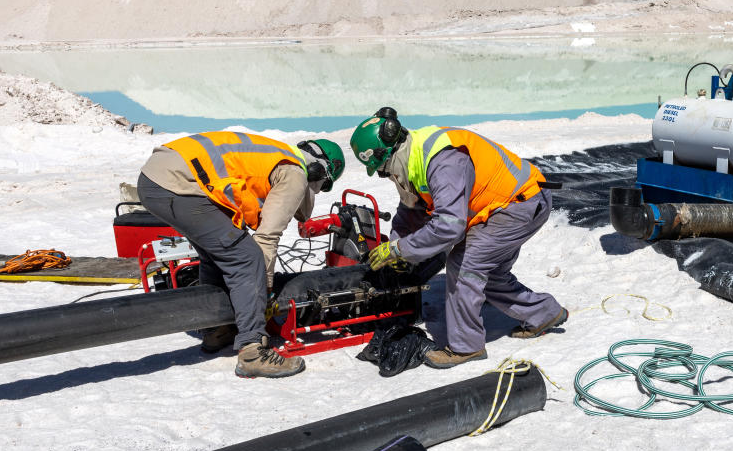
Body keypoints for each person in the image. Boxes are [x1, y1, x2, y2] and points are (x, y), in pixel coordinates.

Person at [350, 107, 567, 369]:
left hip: (520, 203)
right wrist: (396, 244)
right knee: (489, 272)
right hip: (509, 204)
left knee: (464, 265)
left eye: (383, 170)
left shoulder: (443, 161)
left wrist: (400, 250)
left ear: (390, 151)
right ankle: (545, 313)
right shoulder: (412, 159)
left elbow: (449, 227)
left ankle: (466, 347)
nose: (386, 176)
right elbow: (411, 209)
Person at [137, 131, 345, 378]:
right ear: (318, 171)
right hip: (178, 183)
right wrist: (264, 294)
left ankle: (219, 328)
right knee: (247, 257)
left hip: (159, 179)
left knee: (218, 253)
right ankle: (252, 351)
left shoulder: (277, 155)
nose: (315, 191)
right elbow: (266, 239)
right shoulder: (294, 171)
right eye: (320, 186)